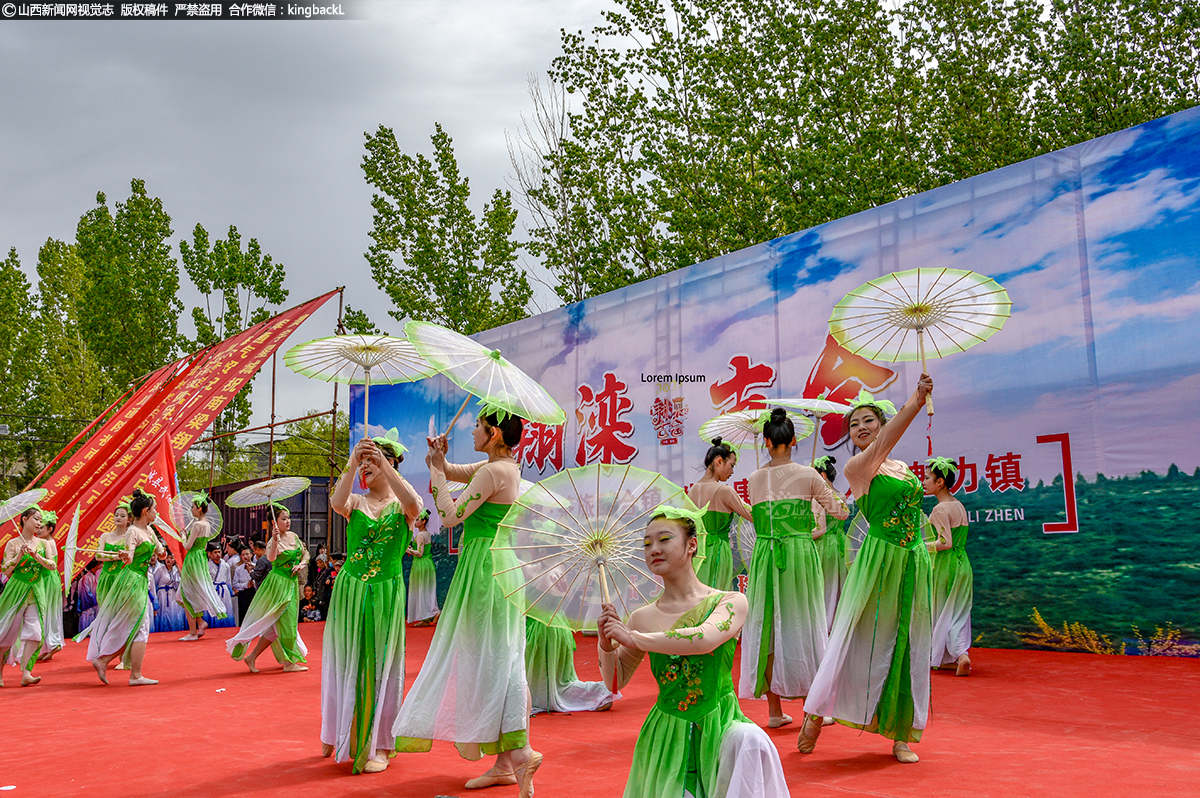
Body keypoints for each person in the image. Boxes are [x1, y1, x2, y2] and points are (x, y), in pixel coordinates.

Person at [393, 410, 541, 796]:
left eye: (478, 425)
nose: (472, 430)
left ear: (493, 433)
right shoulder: (501, 465)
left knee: (493, 662)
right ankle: (508, 760)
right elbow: (459, 471)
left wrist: (437, 475)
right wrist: (439, 461)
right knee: (504, 659)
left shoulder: (494, 472)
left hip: (485, 567)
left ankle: (520, 752)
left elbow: (450, 515)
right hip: (500, 564)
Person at [597, 506, 788, 798]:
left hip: (719, 724)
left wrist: (635, 638)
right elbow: (614, 683)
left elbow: (704, 640)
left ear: (692, 545)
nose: (654, 549)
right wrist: (606, 644)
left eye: (664, 539)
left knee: (748, 745)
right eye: (647, 543)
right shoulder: (642, 617)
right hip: (665, 735)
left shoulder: (729, 601)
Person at [802, 379, 935, 763]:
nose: (860, 427)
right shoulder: (858, 466)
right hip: (878, 560)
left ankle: (901, 734)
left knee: (910, 643)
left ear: (880, 423)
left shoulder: (902, 468)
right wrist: (915, 400)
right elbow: (886, 444)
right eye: (854, 424)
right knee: (852, 636)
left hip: (912, 559)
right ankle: (816, 710)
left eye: (868, 421)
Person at [321, 428, 423, 774]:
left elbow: (415, 505)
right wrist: (352, 463)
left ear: (391, 463)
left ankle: (379, 743)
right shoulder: (356, 503)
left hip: (386, 592)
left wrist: (383, 463)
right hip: (351, 591)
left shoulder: (403, 506)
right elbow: (336, 503)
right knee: (349, 661)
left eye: (372, 463)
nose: (366, 468)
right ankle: (343, 734)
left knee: (382, 665)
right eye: (363, 463)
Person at [739, 408, 847, 728]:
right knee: (804, 625)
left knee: (769, 628)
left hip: (765, 555)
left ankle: (774, 712)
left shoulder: (754, 477)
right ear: (794, 441)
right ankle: (813, 708)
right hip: (799, 554)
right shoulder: (809, 475)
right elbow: (839, 513)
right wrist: (816, 493)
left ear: (767, 441)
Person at [86, 488, 165, 686]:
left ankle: (107, 661)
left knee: (138, 626)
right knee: (140, 625)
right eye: (155, 509)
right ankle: (132, 673)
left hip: (140, 579)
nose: (157, 513)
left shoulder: (149, 531)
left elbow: (162, 554)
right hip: (131, 580)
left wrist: (160, 550)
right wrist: (125, 555)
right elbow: (129, 556)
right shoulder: (133, 531)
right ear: (146, 511)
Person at [225, 505, 310, 673]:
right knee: (288, 623)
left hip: (292, 583)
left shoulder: (294, 536)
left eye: (288, 518)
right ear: (274, 522)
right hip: (279, 584)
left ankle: (252, 657)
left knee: (275, 627)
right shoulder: (272, 541)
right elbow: (271, 558)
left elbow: (305, 553)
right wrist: (275, 540)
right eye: (283, 519)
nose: (288, 521)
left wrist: (301, 564)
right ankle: (289, 662)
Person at [925, 456, 972, 676]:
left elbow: (945, 543)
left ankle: (952, 654)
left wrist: (922, 546)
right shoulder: (958, 505)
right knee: (958, 612)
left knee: (942, 611)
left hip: (945, 565)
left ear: (940, 482)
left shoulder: (940, 509)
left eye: (927, 478)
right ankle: (958, 655)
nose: (924, 482)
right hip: (962, 563)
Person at [687, 437, 753, 591]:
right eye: (731, 465)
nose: (732, 471)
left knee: (698, 594)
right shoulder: (725, 491)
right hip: (717, 549)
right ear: (719, 461)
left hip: (696, 551)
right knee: (717, 594)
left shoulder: (692, 490)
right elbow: (752, 515)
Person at [0, 508, 55, 686]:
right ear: (24, 519)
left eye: (40, 520)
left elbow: (52, 566)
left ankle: (26, 673)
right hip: (16, 590)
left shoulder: (43, 543)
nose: (39, 523)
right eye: (36, 519)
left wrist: (36, 556)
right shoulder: (13, 544)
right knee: (6, 634)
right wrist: (19, 556)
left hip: (36, 591)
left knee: (36, 633)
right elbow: (6, 570)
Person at [526, 615, 615, 715]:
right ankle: (601, 691)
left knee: (542, 685)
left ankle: (601, 691)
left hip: (542, 629)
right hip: (558, 625)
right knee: (562, 682)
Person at [178, 492, 227, 640]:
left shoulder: (197, 524)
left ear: (199, 508)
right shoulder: (207, 524)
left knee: (185, 595)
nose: (191, 510)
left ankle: (193, 632)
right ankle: (200, 622)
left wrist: (182, 536)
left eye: (193, 507)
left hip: (193, 558)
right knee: (184, 594)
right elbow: (203, 545)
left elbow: (187, 546)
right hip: (200, 558)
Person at [811, 456, 849, 632]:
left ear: (823, 475)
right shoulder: (841, 496)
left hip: (825, 546)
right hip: (841, 544)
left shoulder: (819, 499)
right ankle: (838, 628)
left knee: (824, 589)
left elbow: (820, 529)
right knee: (840, 587)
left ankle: (823, 629)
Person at [34, 510, 65, 660]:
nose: (38, 530)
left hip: (48, 578)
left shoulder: (48, 543)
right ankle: (48, 646)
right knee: (46, 612)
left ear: (50, 529)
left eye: (42, 527)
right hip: (47, 577)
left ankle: (53, 643)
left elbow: (49, 563)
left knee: (47, 612)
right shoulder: (46, 542)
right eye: (38, 527)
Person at [405, 509, 439, 626]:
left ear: (424, 521)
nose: (416, 521)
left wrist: (407, 549)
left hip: (420, 564)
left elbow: (419, 553)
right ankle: (428, 616)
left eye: (418, 519)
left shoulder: (420, 535)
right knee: (426, 590)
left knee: (421, 589)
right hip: (427, 563)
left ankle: (431, 613)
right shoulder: (427, 533)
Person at [208, 544, 236, 628]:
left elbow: (228, 580)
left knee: (225, 608)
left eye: (219, 552)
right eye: (215, 552)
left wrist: (230, 592)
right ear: (210, 554)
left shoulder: (226, 565)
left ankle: (225, 626)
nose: (217, 555)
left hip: (224, 589)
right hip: (213, 589)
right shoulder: (207, 566)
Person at [232, 546, 256, 624]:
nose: (245, 556)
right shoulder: (238, 569)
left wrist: (253, 584)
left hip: (254, 592)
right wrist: (246, 585)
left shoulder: (256, 567)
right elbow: (235, 584)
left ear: (251, 555)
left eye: (247, 554)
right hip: (243, 593)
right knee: (243, 614)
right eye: (243, 555)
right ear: (240, 556)